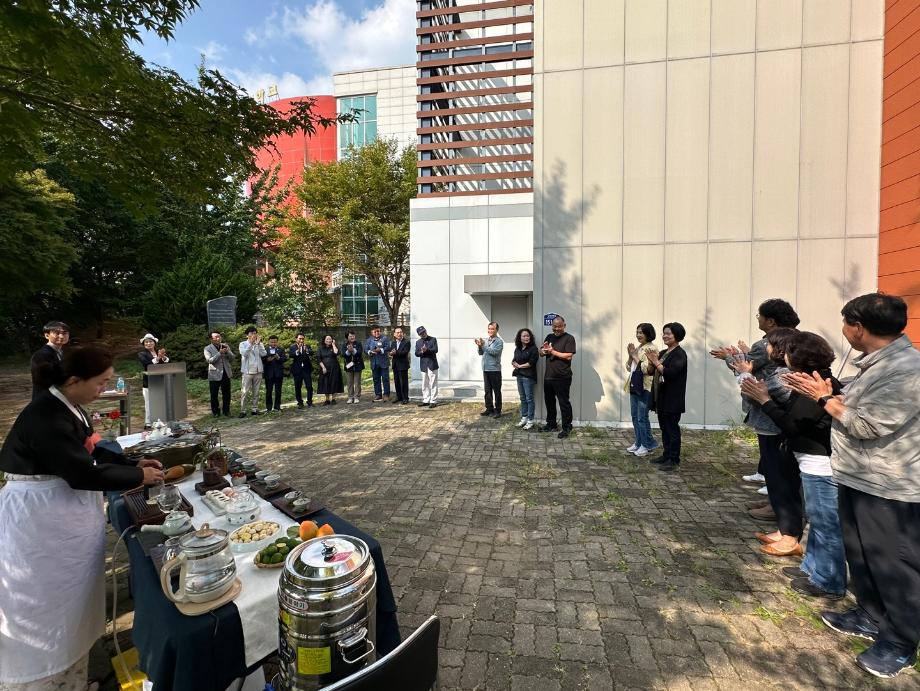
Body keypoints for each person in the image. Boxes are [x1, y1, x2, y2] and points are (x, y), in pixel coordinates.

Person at [0, 346, 164, 690]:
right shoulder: (45, 416)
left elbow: (90, 449)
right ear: (74, 380)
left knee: (74, 600)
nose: (104, 390)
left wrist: (132, 464)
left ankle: (75, 673)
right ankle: (46, 679)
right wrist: (138, 477)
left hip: (63, 513)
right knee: (49, 605)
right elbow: (82, 471)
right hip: (40, 519)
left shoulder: (71, 407)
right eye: (101, 383)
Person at [785, 293, 920, 678]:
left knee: (894, 564)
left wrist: (824, 398)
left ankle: (900, 644)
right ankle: (870, 615)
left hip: (889, 486)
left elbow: (867, 424)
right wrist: (828, 393)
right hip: (858, 476)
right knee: (861, 555)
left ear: (858, 327)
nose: (843, 330)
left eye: (846, 323)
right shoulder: (876, 364)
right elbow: (860, 407)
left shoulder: (906, 369)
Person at [742, 331, 846, 598]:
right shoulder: (808, 382)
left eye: (787, 351)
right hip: (809, 462)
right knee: (817, 519)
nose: (782, 355)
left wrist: (765, 400)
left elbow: (792, 426)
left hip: (820, 464)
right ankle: (811, 568)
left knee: (825, 523)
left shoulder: (818, 386)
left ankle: (828, 580)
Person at [712, 298, 801, 498]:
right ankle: (773, 492)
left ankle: (776, 497)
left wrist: (729, 357)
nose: (758, 319)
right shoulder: (798, 338)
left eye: (759, 316)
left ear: (771, 321)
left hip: (768, 404)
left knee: (772, 452)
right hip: (789, 408)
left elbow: (746, 366)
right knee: (779, 453)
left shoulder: (768, 344)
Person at [733, 328, 804, 556]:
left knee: (782, 483)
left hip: (776, 433)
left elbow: (751, 394)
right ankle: (784, 530)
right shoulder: (778, 372)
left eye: (770, 345)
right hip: (769, 430)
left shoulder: (783, 376)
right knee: (775, 481)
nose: (767, 348)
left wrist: (746, 375)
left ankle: (790, 535)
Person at [648, 322, 687, 471]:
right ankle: (666, 455)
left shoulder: (680, 354)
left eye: (668, 333)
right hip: (662, 397)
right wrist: (652, 362)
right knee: (664, 428)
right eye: (664, 333)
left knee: (672, 429)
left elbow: (671, 373)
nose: (665, 336)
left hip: (673, 398)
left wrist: (656, 362)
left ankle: (674, 459)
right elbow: (653, 371)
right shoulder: (664, 352)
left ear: (677, 335)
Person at [624, 323, 659, 457]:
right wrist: (630, 356)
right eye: (637, 332)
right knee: (635, 416)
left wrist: (634, 356)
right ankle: (639, 442)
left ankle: (646, 445)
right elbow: (628, 367)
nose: (638, 335)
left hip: (645, 386)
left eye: (641, 332)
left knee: (642, 417)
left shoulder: (651, 348)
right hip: (634, 384)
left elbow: (646, 369)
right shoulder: (639, 347)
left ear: (648, 334)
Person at [539, 316, 576, 439]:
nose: (557, 329)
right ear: (552, 326)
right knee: (549, 402)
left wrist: (552, 351)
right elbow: (541, 353)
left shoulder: (569, 338)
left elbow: (569, 356)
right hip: (549, 376)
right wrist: (544, 350)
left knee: (564, 403)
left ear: (564, 325)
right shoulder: (549, 337)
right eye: (555, 326)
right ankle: (551, 424)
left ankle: (567, 427)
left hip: (563, 377)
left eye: (559, 326)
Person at [30, 320, 69, 399]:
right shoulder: (41, 355)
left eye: (65, 333)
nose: (61, 336)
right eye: (57, 333)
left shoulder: (64, 352)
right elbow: (47, 381)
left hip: (61, 398)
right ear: (47, 335)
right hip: (46, 399)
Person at [138, 333, 169, 429]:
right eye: (146, 342)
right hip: (148, 382)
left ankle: (160, 421)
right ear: (144, 344)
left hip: (160, 380)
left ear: (154, 343)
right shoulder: (142, 354)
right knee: (149, 403)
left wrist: (163, 357)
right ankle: (148, 423)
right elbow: (147, 364)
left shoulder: (158, 352)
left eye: (150, 341)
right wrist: (158, 358)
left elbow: (166, 363)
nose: (148, 343)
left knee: (160, 402)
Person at [511, 327, 539, 429]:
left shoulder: (533, 349)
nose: (526, 338)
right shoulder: (517, 349)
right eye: (524, 336)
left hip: (528, 377)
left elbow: (531, 363)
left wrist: (519, 366)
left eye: (528, 336)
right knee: (522, 398)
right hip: (519, 375)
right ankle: (524, 418)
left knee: (529, 399)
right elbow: (514, 360)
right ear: (520, 338)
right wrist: (514, 363)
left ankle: (530, 420)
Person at [476, 321, 504, 418]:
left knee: (497, 391)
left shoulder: (499, 342)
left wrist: (483, 346)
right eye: (489, 329)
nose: (490, 330)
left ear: (496, 330)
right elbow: (480, 353)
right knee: (487, 391)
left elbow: (494, 352)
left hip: (495, 370)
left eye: (492, 329)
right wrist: (479, 346)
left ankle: (498, 410)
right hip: (486, 369)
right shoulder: (486, 340)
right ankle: (489, 409)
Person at [204, 331, 234, 417]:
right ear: (211, 339)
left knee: (227, 393)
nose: (218, 338)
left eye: (219, 336)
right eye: (216, 337)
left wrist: (227, 352)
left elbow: (232, 358)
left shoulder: (225, 345)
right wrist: (219, 353)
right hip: (214, 373)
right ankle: (216, 412)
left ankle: (226, 411)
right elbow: (209, 360)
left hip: (226, 372)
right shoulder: (207, 348)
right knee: (214, 394)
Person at [238, 326, 266, 418]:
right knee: (245, 392)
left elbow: (264, 354)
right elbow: (244, 354)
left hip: (258, 371)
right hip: (247, 371)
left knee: (256, 391)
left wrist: (258, 344)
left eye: (255, 333)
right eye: (251, 333)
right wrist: (251, 344)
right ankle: (243, 410)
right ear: (247, 335)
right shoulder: (243, 344)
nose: (254, 335)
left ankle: (254, 409)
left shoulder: (259, 344)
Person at [364, 327, 392, 402]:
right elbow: (365, 350)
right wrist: (370, 352)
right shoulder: (369, 340)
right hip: (374, 363)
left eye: (378, 331)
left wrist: (381, 350)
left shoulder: (385, 338)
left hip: (384, 362)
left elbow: (388, 347)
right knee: (376, 379)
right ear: (371, 332)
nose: (377, 333)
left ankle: (386, 394)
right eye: (375, 331)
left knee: (385, 379)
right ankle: (378, 394)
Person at [415, 326, 439, 408]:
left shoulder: (433, 339)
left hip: (432, 364)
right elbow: (416, 353)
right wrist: (422, 351)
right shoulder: (418, 342)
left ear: (426, 331)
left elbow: (435, 350)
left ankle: (433, 400)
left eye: (424, 332)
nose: (423, 334)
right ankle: (426, 400)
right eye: (421, 333)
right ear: (419, 334)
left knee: (433, 383)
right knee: (424, 384)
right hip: (423, 365)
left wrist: (427, 350)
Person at [262, 335, 287, 412]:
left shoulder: (281, 349)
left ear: (277, 342)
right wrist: (267, 360)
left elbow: (284, 359)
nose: (273, 343)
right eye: (272, 342)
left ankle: (277, 407)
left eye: (275, 342)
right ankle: (269, 408)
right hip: (268, 373)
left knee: (278, 390)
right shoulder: (265, 349)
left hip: (278, 373)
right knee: (268, 390)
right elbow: (262, 359)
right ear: (269, 342)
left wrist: (279, 358)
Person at [288, 334, 313, 408]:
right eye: (300, 338)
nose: (301, 340)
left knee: (309, 386)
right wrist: (298, 350)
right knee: (298, 387)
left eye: (302, 338)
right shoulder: (293, 347)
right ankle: (300, 402)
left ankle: (309, 402)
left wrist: (307, 350)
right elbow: (291, 355)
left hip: (306, 369)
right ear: (296, 339)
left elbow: (312, 352)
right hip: (297, 370)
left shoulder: (307, 346)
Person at [317, 335, 343, 405]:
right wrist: (323, 367)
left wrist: (333, 344)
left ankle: (333, 399)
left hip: (334, 368)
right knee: (325, 383)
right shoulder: (320, 348)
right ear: (324, 340)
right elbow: (319, 359)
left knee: (334, 382)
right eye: (327, 339)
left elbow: (336, 353)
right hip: (324, 368)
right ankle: (327, 399)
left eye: (330, 339)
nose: (329, 340)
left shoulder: (334, 347)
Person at [342, 331, 365, 404]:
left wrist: (353, 350)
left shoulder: (358, 343)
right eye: (350, 336)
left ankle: (356, 397)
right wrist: (348, 351)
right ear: (347, 337)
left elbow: (360, 353)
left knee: (357, 382)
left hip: (358, 364)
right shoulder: (344, 344)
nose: (352, 337)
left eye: (353, 336)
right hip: (349, 366)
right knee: (349, 382)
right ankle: (350, 397)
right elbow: (343, 355)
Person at [389, 327, 411, 404]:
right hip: (395, 364)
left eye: (400, 332)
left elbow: (404, 352)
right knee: (397, 382)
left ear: (403, 333)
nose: (399, 334)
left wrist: (395, 353)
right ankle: (399, 397)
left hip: (403, 365)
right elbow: (391, 351)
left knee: (403, 382)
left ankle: (405, 398)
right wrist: (391, 353)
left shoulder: (406, 342)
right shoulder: (393, 343)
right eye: (397, 332)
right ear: (394, 334)